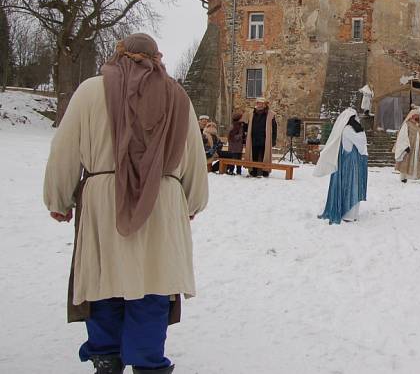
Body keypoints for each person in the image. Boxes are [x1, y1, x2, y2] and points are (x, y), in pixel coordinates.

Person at [43, 33, 208, 374]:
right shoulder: (177, 96)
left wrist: (58, 197)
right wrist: (190, 202)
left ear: (120, 54)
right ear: (156, 58)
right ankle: (148, 364)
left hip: (106, 200)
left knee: (105, 280)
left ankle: (106, 359)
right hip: (161, 204)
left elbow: (65, 148)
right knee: (152, 285)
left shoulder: (91, 90)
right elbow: (194, 156)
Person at [314, 108, 369, 224]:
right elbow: (362, 145)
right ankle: (350, 214)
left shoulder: (346, 130)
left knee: (350, 184)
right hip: (352, 161)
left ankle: (350, 214)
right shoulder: (351, 130)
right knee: (352, 184)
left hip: (348, 161)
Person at [393, 107, 420, 184]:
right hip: (409, 147)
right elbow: (403, 136)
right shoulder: (407, 124)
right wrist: (405, 146)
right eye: (415, 115)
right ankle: (403, 178)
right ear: (411, 116)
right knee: (405, 162)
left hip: (419, 148)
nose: (417, 117)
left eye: (418, 115)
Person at [244, 97, 277, 177]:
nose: (260, 105)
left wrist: (273, 140)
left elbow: (274, 128)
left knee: (264, 156)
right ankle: (254, 171)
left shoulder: (270, 114)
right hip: (254, 138)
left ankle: (264, 171)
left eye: (262, 103)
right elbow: (247, 125)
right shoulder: (251, 113)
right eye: (258, 103)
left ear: (265, 105)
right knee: (254, 155)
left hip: (264, 139)